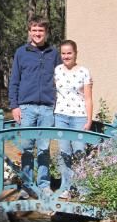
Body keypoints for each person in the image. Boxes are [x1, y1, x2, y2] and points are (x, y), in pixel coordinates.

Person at [9, 16, 61, 196]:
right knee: (26, 148)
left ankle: (44, 184)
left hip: (47, 108)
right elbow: (14, 80)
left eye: (41, 31)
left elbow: (61, 80)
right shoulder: (21, 52)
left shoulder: (53, 54)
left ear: (46, 33)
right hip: (26, 108)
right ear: (29, 32)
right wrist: (14, 106)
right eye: (34, 30)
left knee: (44, 148)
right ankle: (28, 185)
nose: (38, 33)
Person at [54, 40, 93, 199]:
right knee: (64, 153)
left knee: (79, 152)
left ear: (75, 53)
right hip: (61, 116)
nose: (66, 56)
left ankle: (83, 189)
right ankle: (66, 187)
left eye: (69, 53)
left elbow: (89, 99)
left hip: (79, 117)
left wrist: (89, 120)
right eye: (63, 53)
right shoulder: (57, 70)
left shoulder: (84, 72)